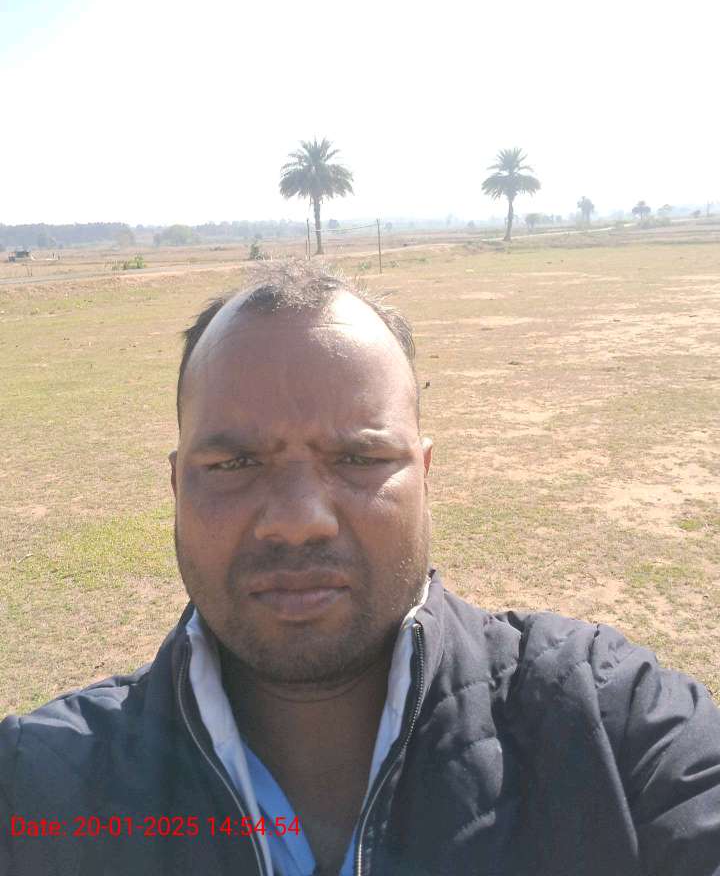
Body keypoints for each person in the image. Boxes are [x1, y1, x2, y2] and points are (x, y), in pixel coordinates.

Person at [1, 260, 719, 876]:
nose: (297, 519)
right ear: (176, 486)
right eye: (234, 463)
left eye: (360, 458)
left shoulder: (611, 725)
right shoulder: (39, 781)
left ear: (425, 476)